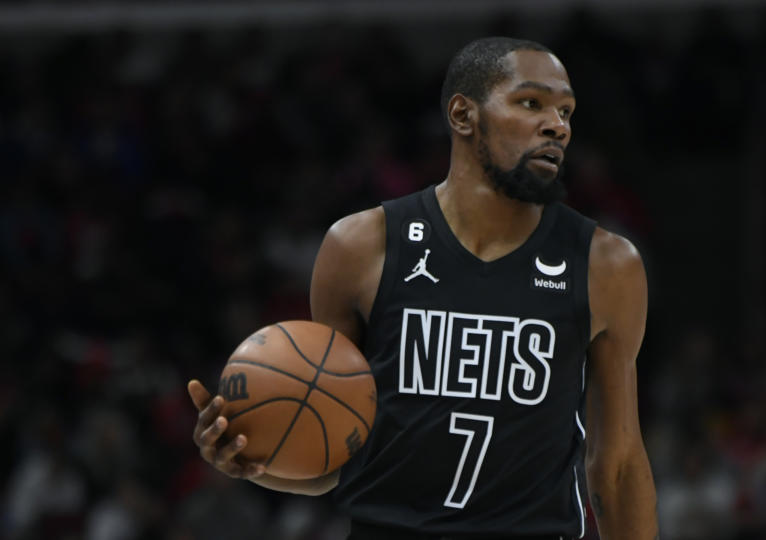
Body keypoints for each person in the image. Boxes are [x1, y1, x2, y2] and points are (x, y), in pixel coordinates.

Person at [187, 37, 658, 540]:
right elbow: (332, 445)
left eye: (566, 111)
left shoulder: (607, 263)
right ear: (462, 114)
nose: (557, 126)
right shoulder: (361, 246)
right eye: (532, 103)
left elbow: (618, 464)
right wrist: (256, 459)